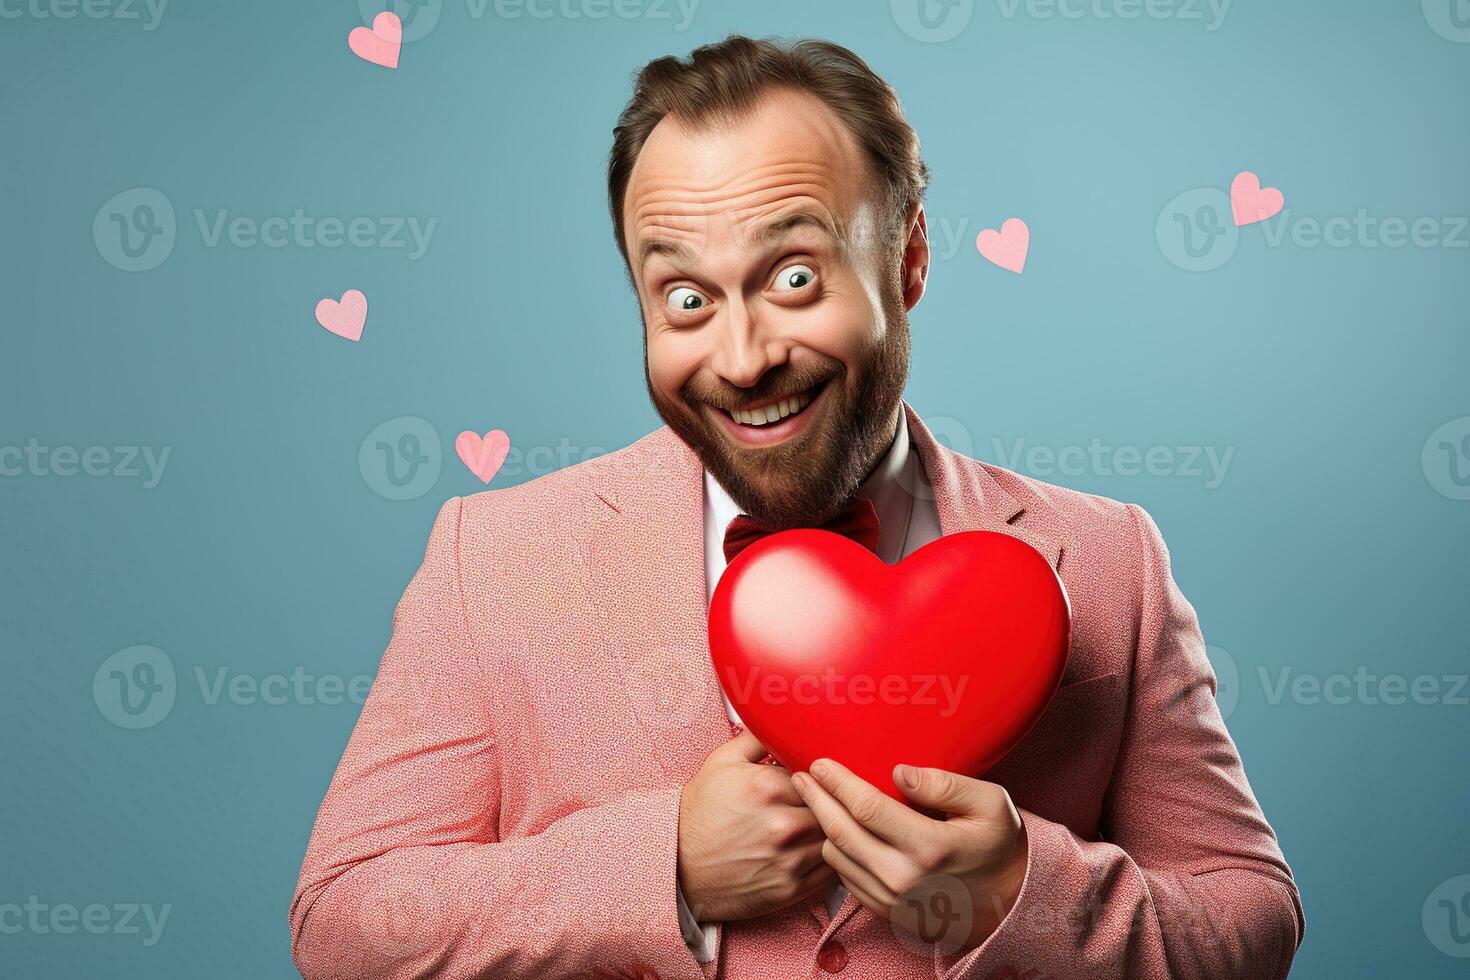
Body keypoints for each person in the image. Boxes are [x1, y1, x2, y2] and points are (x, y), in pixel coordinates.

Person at [291, 34, 1303, 980]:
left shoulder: (1111, 558)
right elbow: (342, 919)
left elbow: (1250, 919)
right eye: (686, 298)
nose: (742, 358)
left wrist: (1020, 888)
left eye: (793, 276)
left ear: (907, 262)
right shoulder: (494, 557)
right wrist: (665, 864)